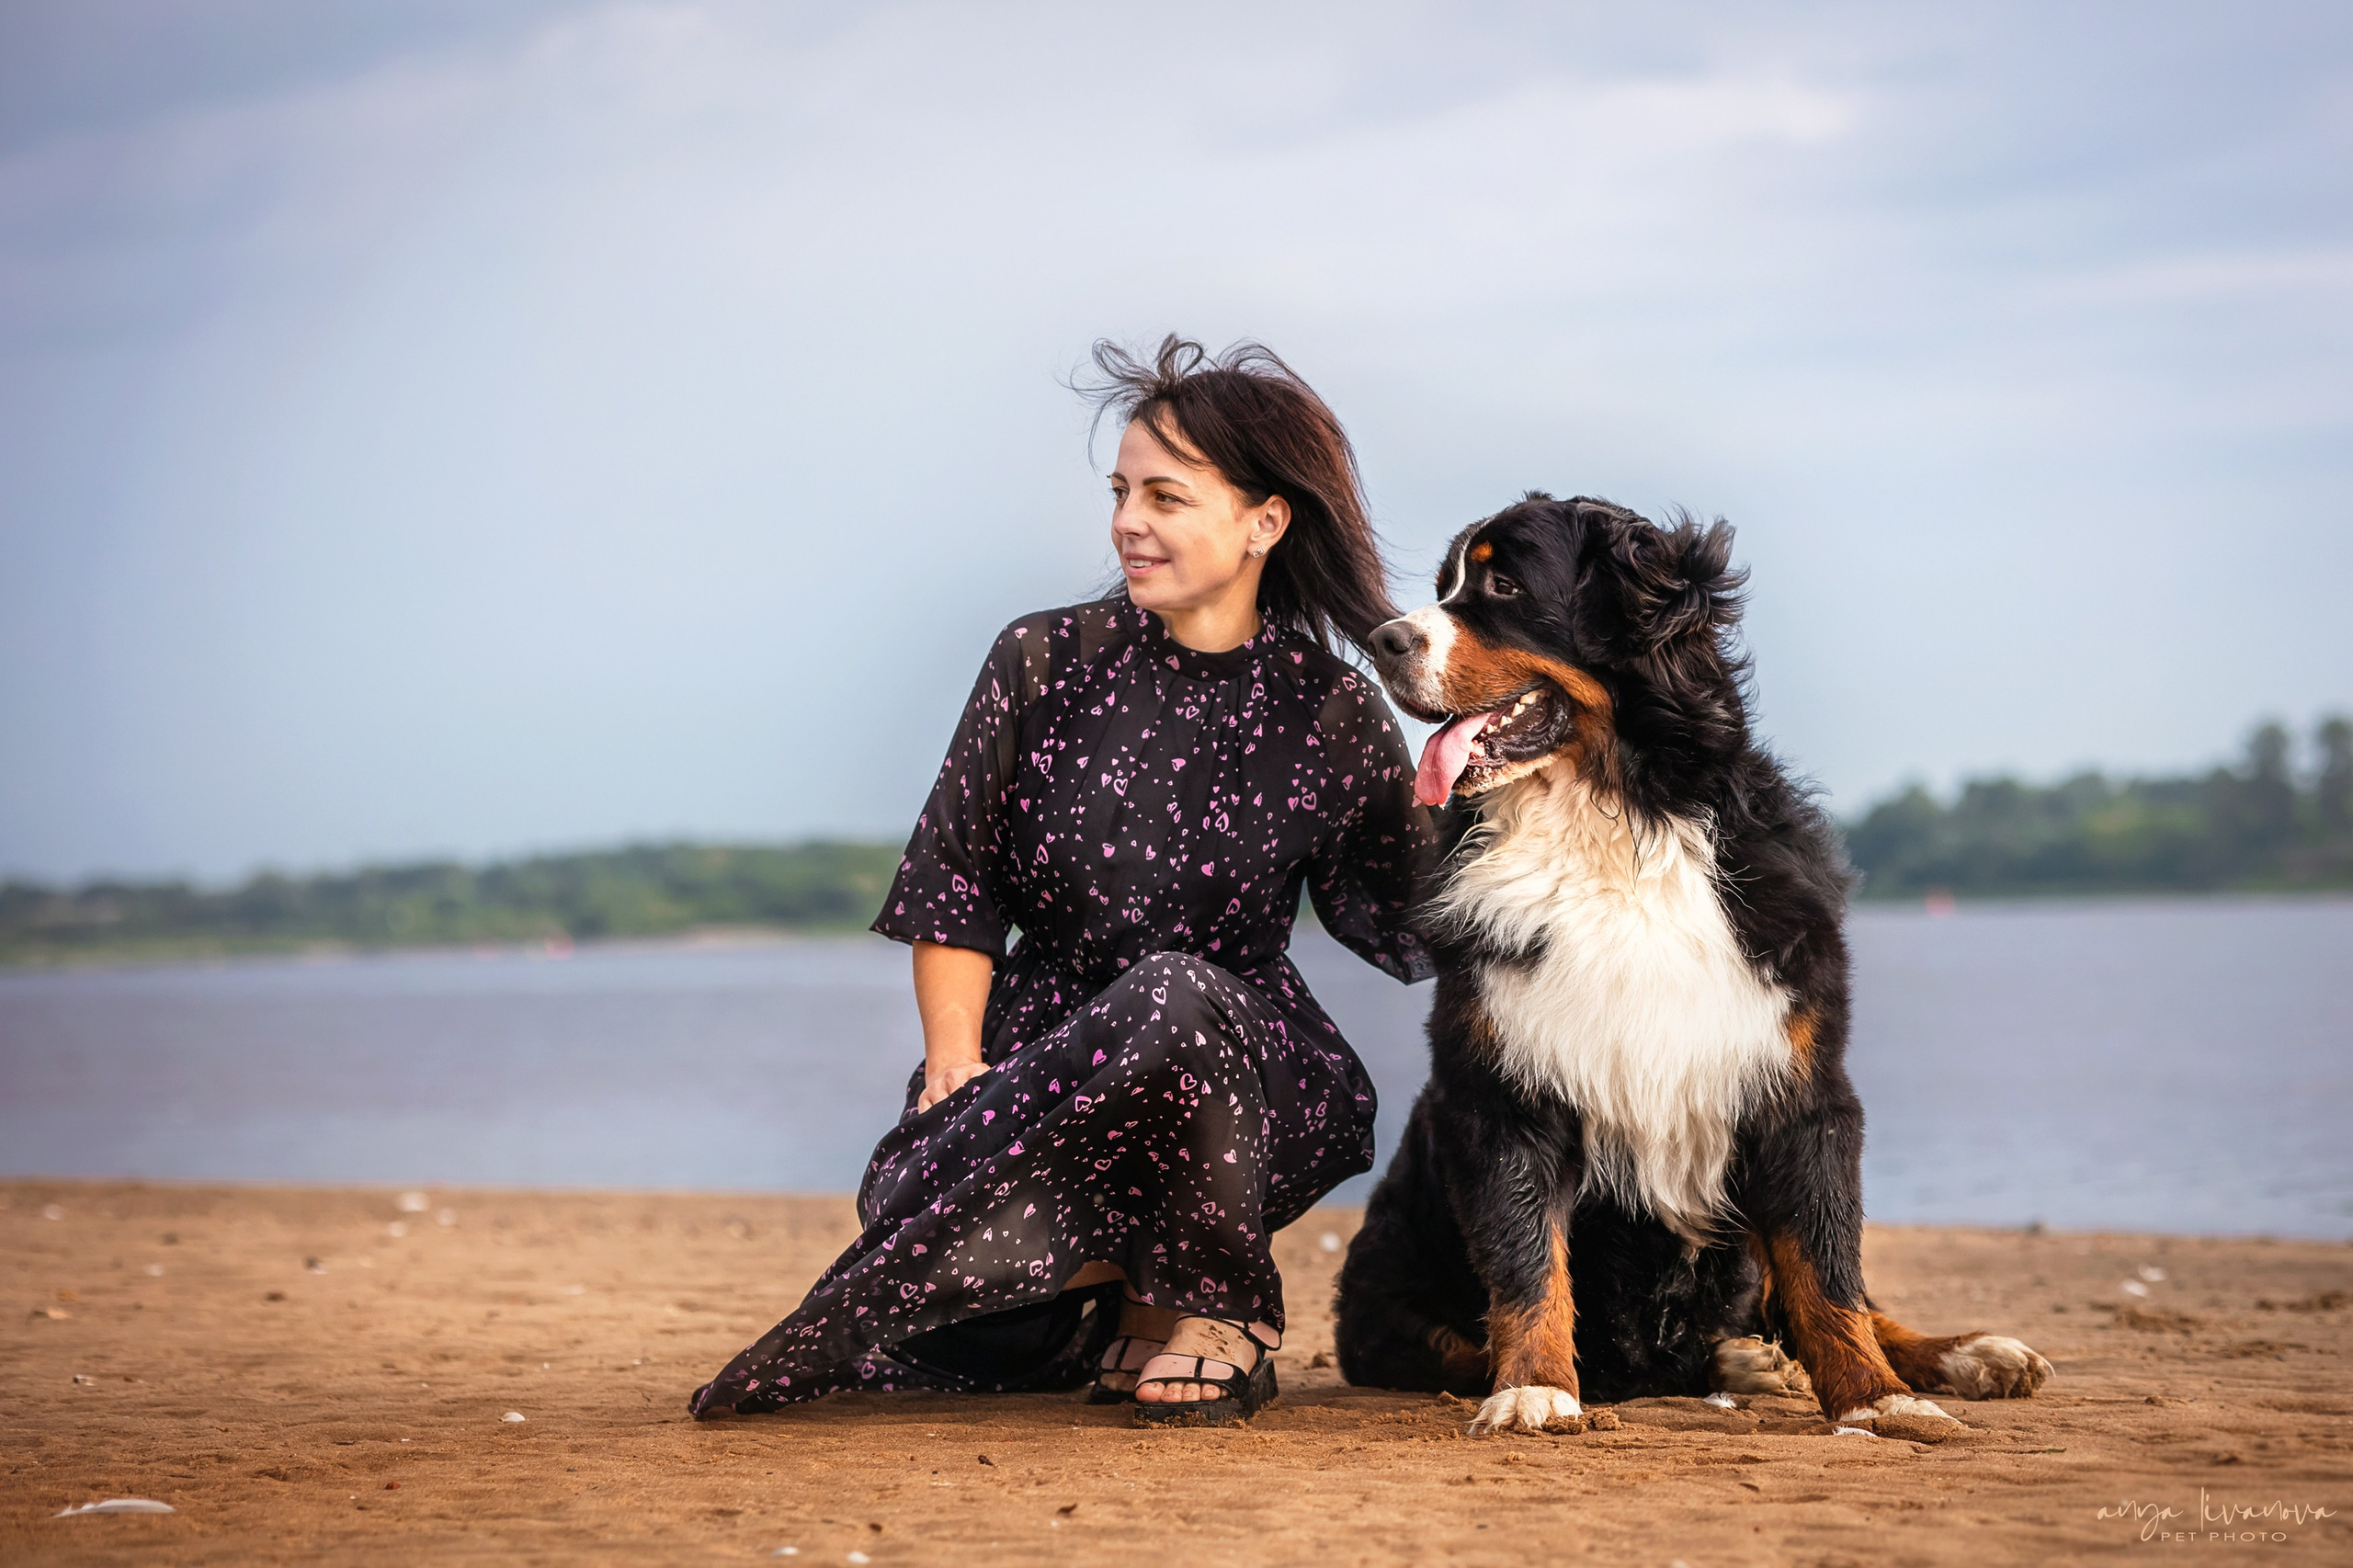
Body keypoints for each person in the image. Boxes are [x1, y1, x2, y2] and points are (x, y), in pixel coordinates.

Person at [688, 335, 1433, 1425]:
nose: (1130, 520)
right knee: (973, 1333)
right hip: (1046, 1046)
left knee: (1176, 989)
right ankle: (1129, 1292)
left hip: (1248, 1063)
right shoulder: (1041, 659)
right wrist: (952, 1062)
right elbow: (956, 886)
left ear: (1264, 521)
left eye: (1168, 496)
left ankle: (1219, 1304)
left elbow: (1430, 909)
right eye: (1122, 491)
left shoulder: (1328, 707)